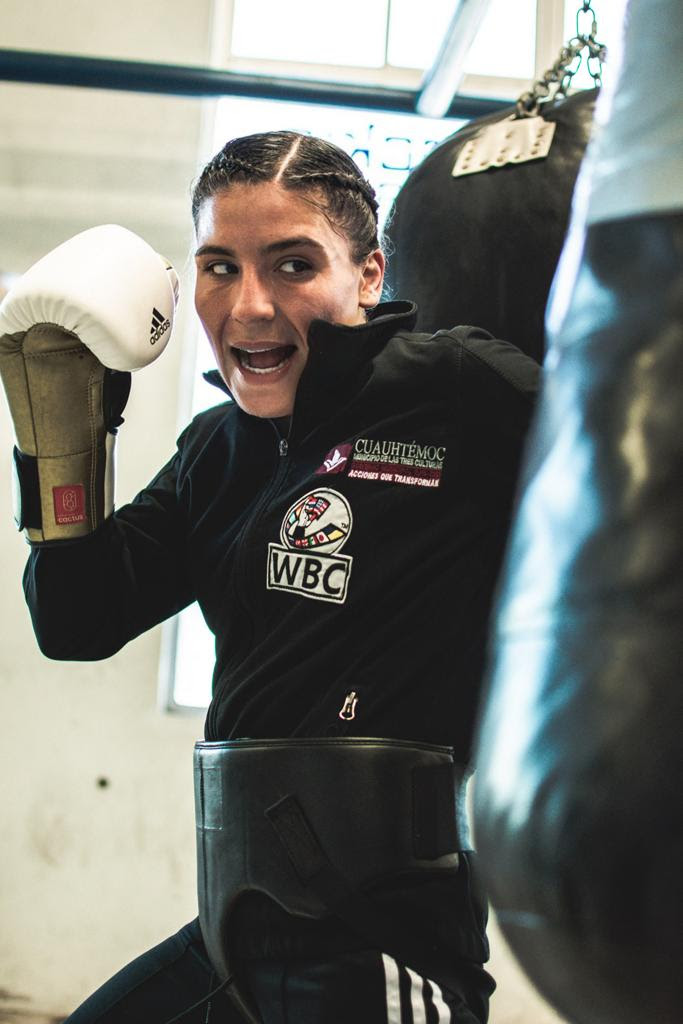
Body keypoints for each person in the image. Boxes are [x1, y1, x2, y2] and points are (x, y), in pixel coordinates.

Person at [0, 131, 539, 1023]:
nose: (249, 306)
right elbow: (77, 623)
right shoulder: (217, 449)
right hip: (238, 920)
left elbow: (634, 488)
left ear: (368, 276)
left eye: (293, 265)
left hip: (382, 939)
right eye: (219, 267)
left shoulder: (454, 388)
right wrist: (59, 435)